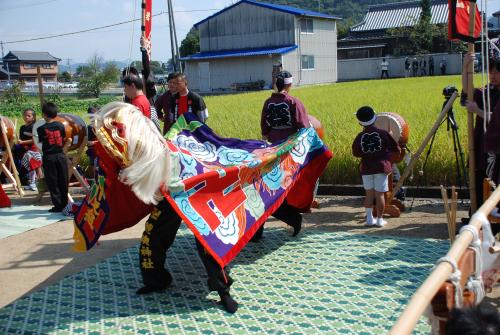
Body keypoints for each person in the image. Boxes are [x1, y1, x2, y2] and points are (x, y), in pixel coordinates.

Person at [137, 199, 239, 313]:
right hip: (171, 189)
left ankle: (223, 290)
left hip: (201, 192)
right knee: (153, 233)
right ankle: (155, 280)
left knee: (208, 239)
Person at [253, 70, 307, 240]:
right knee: (277, 187)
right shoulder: (293, 102)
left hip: (271, 149)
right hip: (289, 150)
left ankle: (257, 231)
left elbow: (264, 126)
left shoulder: (268, 102)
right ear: (289, 85)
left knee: (265, 186)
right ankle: (293, 218)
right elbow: (303, 126)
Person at [461, 53, 500, 211]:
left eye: (496, 72)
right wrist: (465, 67)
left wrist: (478, 111)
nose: (492, 76)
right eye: (490, 72)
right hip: (481, 143)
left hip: (496, 148)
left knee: (494, 182)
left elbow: (497, 119)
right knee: (479, 179)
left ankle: (492, 218)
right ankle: (476, 216)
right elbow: (468, 90)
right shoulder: (487, 91)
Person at [352, 106, 400, 227]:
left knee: (369, 194)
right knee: (380, 194)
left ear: (359, 122)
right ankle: (379, 220)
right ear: (375, 118)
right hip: (381, 168)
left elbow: (356, 153)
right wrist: (390, 137)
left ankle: (369, 219)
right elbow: (396, 149)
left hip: (366, 169)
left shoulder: (359, 137)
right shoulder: (383, 134)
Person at [37, 102, 68, 213]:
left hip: (49, 157)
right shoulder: (60, 125)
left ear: (44, 114)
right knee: (63, 180)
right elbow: (63, 137)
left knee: (52, 181)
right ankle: (65, 204)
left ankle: (58, 205)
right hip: (60, 155)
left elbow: (41, 141)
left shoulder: (40, 129)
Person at [15, 108, 42, 191]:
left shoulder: (34, 126)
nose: (26, 117)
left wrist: (22, 142)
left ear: (33, 117)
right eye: (25, 115)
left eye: (28, 116)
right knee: (30, 167)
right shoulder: (22, 127)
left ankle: (40, 183)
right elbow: (20, 139)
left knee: (36, 166)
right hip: (25, 149)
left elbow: (35, 139)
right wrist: (20, 142)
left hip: (33, 149)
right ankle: (32, 183)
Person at [85, 106, 98, 180]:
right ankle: (95, 181)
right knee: (93, 165)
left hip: (96, 149)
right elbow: (88, 142)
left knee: (95, 165)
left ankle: (96, 181)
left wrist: (93, 142)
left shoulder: (91, 127)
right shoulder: (90, 127)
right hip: (93, 150)